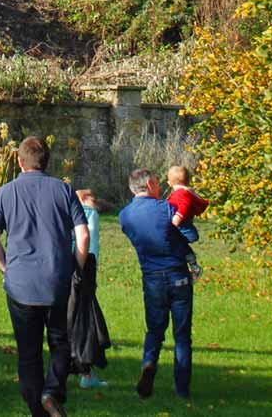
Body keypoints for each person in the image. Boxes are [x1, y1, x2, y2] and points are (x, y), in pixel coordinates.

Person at [0, 136, 89, 417]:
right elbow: (83, 234)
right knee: (59, 340)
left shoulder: (6, 192)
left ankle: (37, 408)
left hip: (20, 283)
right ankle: (51, 391)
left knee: (28, 351)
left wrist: (6, 267)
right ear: (47, 161)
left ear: (19, 161)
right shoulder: (63, 190)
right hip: (56, 278)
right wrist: (75, 267)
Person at [118, 168, 194, 401]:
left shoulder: (124, 215)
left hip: (151, 275)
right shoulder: (166, 208)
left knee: (155, 330)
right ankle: (181, 390)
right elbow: (190, 235)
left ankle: (149, 363)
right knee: (181, 335)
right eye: (158, 183)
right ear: (150, 184)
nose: (161, 187)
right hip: (177, 273)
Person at [70, 189, 111, 389]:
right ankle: (86, 370)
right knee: (86, 317)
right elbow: (90, 240)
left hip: (65, 265)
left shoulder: (67, 210)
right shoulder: (89, 214)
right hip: (85, 263)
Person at [166, 165, 209, 279]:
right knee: (181, 245)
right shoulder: (186, 192)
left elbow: (185, 206)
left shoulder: (181, 193)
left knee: (176, 242)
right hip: (184, 223)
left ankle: (190, 265)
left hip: (181, 224)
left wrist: (177, 217)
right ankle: (193, 265)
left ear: (170, 182)